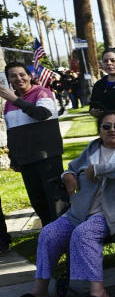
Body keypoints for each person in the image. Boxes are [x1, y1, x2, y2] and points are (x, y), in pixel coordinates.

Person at [2, 113, 115, 297]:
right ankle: (40, 290)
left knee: (84, 234)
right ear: (100, 131)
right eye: (106, 126)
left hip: (113, 210)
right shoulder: (93, 147)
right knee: (49, 233)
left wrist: (100, 169)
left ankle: (98, 292)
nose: (112, 130)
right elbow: (71, 167)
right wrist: (68, 175)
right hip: (82, 210)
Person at [0, 63, 68, 226]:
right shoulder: (10, 103)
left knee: (56, 202)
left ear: (29, 76)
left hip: (47, 158)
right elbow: (12, 131)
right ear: (8, 79)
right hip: (25, 160)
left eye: (22, 74)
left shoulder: (42, 93)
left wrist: (14, 99)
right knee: (38, 202)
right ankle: (49, 235)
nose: (18, 78)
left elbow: (42, 114)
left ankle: (65, 235)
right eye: (13, 76)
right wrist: (13, 157)